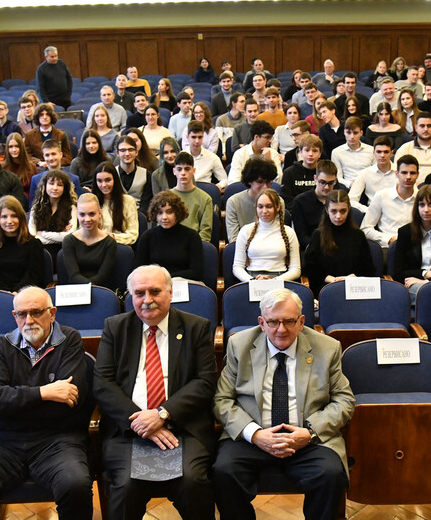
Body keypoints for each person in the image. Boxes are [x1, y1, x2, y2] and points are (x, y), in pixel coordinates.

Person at [213, 287, 355, 520]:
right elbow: (222, 400)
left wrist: (309, 433)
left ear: (301, 322)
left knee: (330, 474)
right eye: (273, 322)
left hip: (307, 438)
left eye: (289, 321)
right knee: (224, 472)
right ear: (261, 322)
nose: (281, 329)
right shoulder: (239, 345)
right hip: (253, 436)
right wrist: (255, 434)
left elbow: (344, 400)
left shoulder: (326, 348)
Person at [0, 287, 93, 518]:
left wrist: (11, 403)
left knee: (75, 486)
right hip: (4, 442)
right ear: (14, 316)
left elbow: (69, 401)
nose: (29, 320)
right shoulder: (1, 347)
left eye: (36, 312)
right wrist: (44, 393)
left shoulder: (70, 341)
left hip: (57, 439)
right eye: (21, 314)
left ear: (52, 313)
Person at [95, 269, 218, 520]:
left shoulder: (196, 327)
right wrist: (141, 421)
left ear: (170, 293)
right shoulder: (116, 328)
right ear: (130, 297)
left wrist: (163, 414)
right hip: (128, 429)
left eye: (155, 291)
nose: (147, 299)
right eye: (139, 293)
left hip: (183, 426)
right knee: (126, 487)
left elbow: (204, 382)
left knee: (192, 482)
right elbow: (103, 383)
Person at [303, 191, 375, 299]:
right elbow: (310, 268)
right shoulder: (318, 235)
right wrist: (331, 279)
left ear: (349, 210)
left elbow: (368, 268)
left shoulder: (358, 235)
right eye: (334, 211)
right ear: (327, 210)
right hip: (326, 286)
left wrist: (350, 278)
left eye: (343, 211)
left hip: (354, 286)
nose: (338, 216)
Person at [0, 196, 49, 292]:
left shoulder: (34, 244)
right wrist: (6, 294)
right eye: (4, 217)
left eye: (14, 216)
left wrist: (16, 293)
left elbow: (34, 278)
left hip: (26, 294)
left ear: (21, 218)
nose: (9, 221)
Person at [134, 192, 204, 283]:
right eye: (160, 213)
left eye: (169, 212)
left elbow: (196, 273)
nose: (164, 217)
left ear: (178, 213)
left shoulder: (192, 236)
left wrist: (165, 278)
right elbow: (140, 270)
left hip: (184, 284)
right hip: (154, 284)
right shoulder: (147, 237)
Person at [233, 189, 301, 282]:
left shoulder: (289, 232)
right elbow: (237, 267)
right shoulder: (246, 230)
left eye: (269, 206)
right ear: (256, 208)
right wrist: (252, 280)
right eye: (260, 207)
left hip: (280, 279)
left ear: (277, 207)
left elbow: (295, 269)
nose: (264, 211)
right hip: (252, 279)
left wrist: (275, 281)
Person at [363, 155, 419, 250]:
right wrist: (389, 239)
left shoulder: (421, 198)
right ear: (396, 174)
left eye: (412, 173)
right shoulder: (382, 196)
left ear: (417, 175)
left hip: (414, 247)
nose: (408, 177)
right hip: (388, 247)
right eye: (404, 173)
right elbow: (365, 228)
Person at [60, 193, 117, 286]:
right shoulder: (69, 241)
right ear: (77, 215)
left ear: (100, 214)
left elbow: (103, 277)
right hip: (75, 292)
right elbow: (73, 276)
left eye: (92, 214)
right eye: (82, 214)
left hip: (100, 290)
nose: (87, 219)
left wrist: (89, 288)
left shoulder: (109, 242)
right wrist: (88, 288)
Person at [225, 158, 280, 243]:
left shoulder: (278, 201)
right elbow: (234, 239)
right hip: (243, 249)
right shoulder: (234, 202)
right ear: (250, 181)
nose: (265, 186)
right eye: (260, 182)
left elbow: (278, 234)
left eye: (268, 182)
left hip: (271, 248)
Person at [289, 160, 340, 252]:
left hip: (338, 248)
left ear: (335, 180)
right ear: (315, 178)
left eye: (331, 183)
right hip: (313, 250)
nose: (327, 187)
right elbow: (302, 237)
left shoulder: (339, 200)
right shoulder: (300, 201)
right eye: (322, 182)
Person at [171, 152, 214, 244]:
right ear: (174, 171)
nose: (183, 173)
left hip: (195, 245)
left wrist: (193, 246)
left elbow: (206, 231)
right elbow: (162, 227)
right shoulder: (166, 198)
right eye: (179, 169)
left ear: (193, 171)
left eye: (187, 169)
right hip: (171, 244)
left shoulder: (205, 198)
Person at [95, 162, 139, 246]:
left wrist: (112, 237)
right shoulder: (92, 201)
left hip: (120, 247)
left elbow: (133, 235)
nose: (103, 185)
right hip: (97, 247)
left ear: (115, 179)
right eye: (99, 181)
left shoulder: (128, 201)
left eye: (108, 180)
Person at [348, 136, 395, 212]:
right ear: (373, 153)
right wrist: (368, 210)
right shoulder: (365, 173)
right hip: (373, 213)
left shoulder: (400, 172)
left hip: (396, 212)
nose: (382, 155)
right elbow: (351, 199)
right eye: (379, 152)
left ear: (391, 153)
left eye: (386, 152)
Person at [228, 120, 281, 185]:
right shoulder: (240, 153)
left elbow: (278, 181)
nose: (270, 141)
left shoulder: (273, 153)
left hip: (267, 191)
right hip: (246, 191)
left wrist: (269, 162)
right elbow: (233, 181)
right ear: (256, 137)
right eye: (267, 137)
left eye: (271, 138)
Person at [395, 112, 431, 180]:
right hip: (412, 187)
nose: (426, 129)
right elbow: (398, 175)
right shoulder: (404, 149)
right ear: (416, 127)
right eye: (422, 126)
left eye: (429, 126)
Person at [24, 104, 73, 169]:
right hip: (37, 168)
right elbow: (26, 155)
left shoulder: (61, 135)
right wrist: (39, 162)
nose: (44, 117)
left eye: (47, 114)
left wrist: (52, 162)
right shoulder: (29, 135)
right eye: (41, 115)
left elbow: (68, 158)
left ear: (51, 117)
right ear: (37, 117)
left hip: (57, 168)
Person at [281, 134, 323, 205]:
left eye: (315, 151)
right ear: (300, 152)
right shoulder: (289, 173)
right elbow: (287, 200)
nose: (310, 154)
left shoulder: (325, 172)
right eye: (307, 150)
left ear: (320, 154)